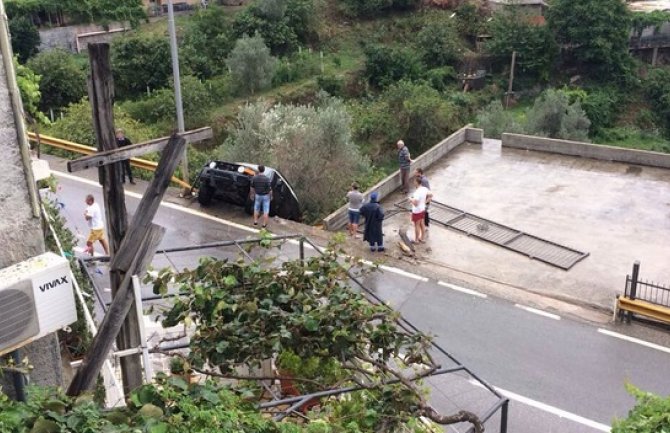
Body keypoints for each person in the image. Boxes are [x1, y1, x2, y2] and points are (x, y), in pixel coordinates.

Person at [409, 176, 432, 244]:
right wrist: (425, 202)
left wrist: (411, 199)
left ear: (416, 182)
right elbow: (431, 195)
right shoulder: (424, 189)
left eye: (414, 181)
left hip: (417, 211)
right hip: (423, 209)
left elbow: (415, 204)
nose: (413, 183)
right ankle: (422, 238)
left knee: (417, 225)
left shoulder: (417, 192)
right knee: (422, 224)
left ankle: (416, 240)